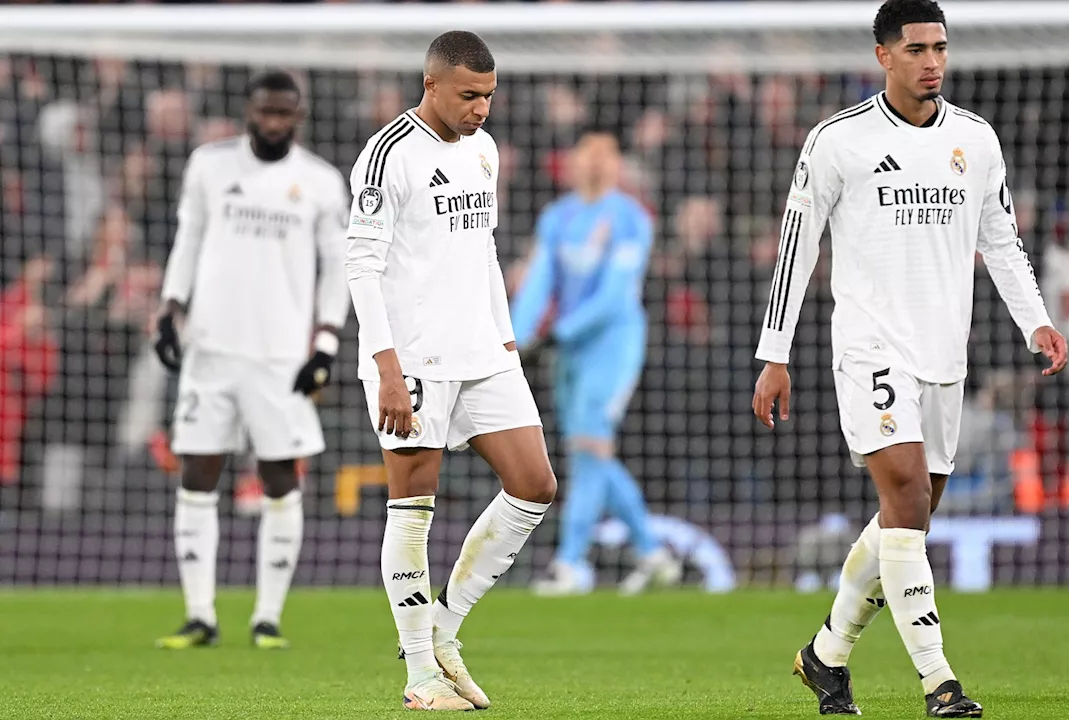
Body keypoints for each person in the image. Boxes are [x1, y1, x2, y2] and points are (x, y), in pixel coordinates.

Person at [750, 1, 1069, 716]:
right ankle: (940, 681)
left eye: (941, 48)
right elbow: (796, 250)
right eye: (918, 48)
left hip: (942, 352)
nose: (933, 62)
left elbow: (1002, 241)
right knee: (904, 500)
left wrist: (1037, 321)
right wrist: (775, 355)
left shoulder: (977, 141)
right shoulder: (838, 141)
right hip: (869, 344)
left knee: (911, 516)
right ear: (883, 56)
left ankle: (825, 656)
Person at [345, 30, 558, 711]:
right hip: (412, 357)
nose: (481, 110)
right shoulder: (386, 156)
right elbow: (362, 267)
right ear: (431, 84)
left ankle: (444, 626)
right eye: (469, 96)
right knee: (412, 508)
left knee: (535, 485)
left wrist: (505, 339)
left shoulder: (484, 151)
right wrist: (385, 367)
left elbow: (483, 252)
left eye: (489, 97)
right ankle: (418, 672)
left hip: (481, 351)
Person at [152, 70, 350, 650]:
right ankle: (200, 616)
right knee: (196, 474)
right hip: (210, 347)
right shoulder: (209, 166)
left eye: (283, 113)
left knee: (280, 477)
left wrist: (326, 345)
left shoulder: (318, 181)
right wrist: (169, 309)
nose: (272, 122)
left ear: (299, 116)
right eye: (264, 112)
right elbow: (186, 240)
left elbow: (338, 267)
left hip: (281, 355)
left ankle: (267, 617)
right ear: (248, 111)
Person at [510, 129, 679, 596]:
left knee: (588, 448)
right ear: (573, 162)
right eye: (587, 155)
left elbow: (614, 295)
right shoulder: (558, 216)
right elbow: (540, 281)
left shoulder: (630, 219)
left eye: (605, 156)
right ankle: (652, 552)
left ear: (617, 165)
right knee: (587, 451)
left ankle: (571, 564)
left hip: (612, 345)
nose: (595, 164)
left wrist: (556, 333)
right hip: (567, 351)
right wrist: (513, 338)